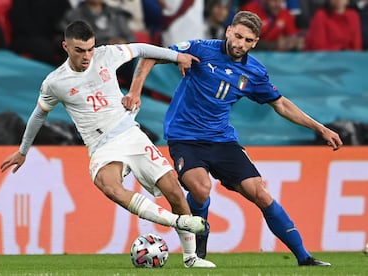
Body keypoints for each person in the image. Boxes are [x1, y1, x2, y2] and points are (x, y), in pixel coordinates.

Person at [123, 11, 343, 266]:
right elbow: (151, 54)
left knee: (260, 192)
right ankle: (198, 247)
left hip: (222, 140)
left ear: (255, 43)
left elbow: (281, 104)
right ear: (228, 31)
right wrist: (135, 92)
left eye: (248, 40)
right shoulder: (200, 49)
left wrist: (321, 128)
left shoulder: (255, 73)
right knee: (201, 188)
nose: (240, 43)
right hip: (185, 137)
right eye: (237, 36)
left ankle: (304, 257)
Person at [0, 20, 216, 269]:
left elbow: (143, 49)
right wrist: (23, 151)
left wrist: (177, 56)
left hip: (130, 134)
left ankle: (191, 258)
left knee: (175, 192)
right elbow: (39, 115)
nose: (87, 56)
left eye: (90, 49)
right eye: (80, 50)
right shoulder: (55, 82)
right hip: (102, 146)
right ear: (65, 47)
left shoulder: (107, 55)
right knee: (108, 185)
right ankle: (176, 222)